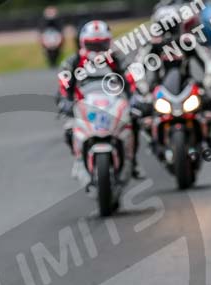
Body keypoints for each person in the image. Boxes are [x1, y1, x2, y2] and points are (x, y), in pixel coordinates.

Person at [57, 20, 146, 179]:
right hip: (83, 106)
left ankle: (132, 161)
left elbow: (130, 79)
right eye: (93, 44)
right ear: (83, 43)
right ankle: (78, 159)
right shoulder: (73, 61)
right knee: (69, 128)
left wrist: (135, 97)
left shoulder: (117, 59)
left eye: (101, 44)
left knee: (134, 122)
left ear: (109, 42)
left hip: (113, 104)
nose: (97, 49)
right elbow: (64, 84)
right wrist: (65, 100)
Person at [136, 6, 211, 148]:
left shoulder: (188, 41)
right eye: (164, 26)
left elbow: (207, 59)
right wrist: (141, 84)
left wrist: (210, 76)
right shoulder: (151, 46)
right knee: (142, 111)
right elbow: (138, 66)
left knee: (208, 103)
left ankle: (207, 136)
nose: (168, 31)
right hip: (159, 88)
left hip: (186, 85)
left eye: (171, 25)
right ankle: (152, 142)